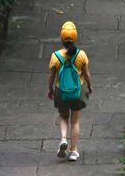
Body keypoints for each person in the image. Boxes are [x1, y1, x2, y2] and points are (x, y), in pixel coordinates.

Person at [48, 20, 93, 161]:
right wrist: (90, 86)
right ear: (75, 37)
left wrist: (50, 89)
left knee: (63, 116)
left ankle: (63, 139)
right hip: (77, 92)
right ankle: (73, 151)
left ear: (61, 38)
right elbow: (86, 74)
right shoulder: (81, 54)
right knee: (75, 122)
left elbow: (52, 76)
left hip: (61, 91)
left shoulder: (55, 56)